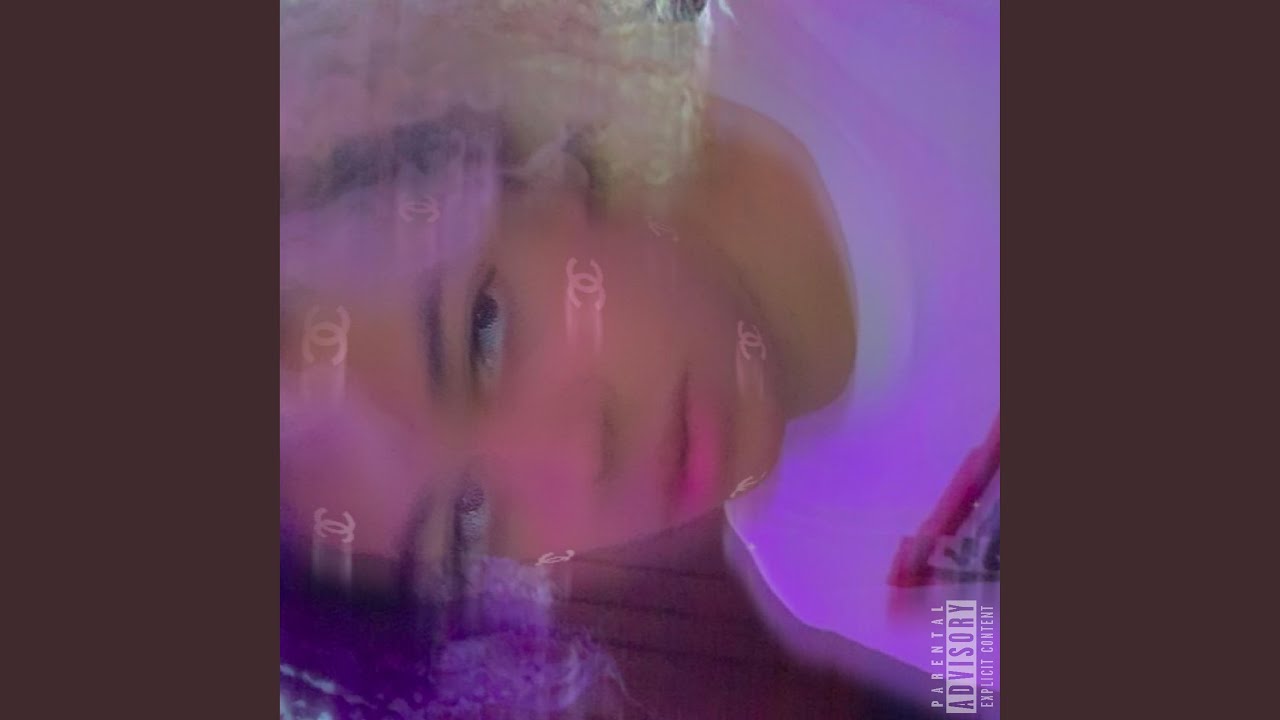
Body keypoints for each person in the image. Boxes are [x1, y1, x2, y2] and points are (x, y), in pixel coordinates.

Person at [279, 0, 857, 603]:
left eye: (486, 334)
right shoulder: (838, 584)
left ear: (528, 163)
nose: (580, 456)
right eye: (467, 532)